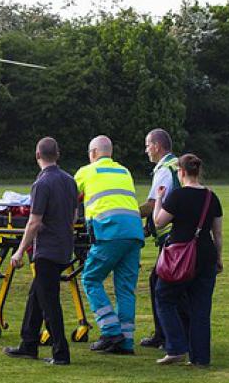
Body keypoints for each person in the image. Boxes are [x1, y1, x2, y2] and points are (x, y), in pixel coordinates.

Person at [3, 137, 78, 366]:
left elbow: (34, 222)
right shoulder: (69, 180)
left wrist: (19, 251)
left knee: (49, 302)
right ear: (58, 154)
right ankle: (28, 344)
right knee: (37, 295)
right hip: (64, 247)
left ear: (37, 155)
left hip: (47, 250)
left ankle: (60, 353)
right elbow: (73, 216)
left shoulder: (42, 183)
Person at [74, 135, 144, 354]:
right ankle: (126, 342)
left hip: (109, 232)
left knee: (91, 278)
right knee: (125, 288)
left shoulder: (87, 171)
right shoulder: (124, 171)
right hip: (133, 233)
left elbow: (68, 197)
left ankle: (110, 330)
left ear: (93, 153)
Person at [152, 154, 223, 366]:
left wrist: (159, 199)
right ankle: (200, 359)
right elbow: (218, 234)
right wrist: (218, 259)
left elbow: (158, 222)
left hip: (181, 258)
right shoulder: (212, 197)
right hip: (206, 256)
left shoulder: (177, 196)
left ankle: (176, 347)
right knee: (201, 309)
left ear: (181, 172)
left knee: (164, 297)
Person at [138, 128, 184, 348]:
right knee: (167, 283)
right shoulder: (176, 165)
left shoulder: (164, 170)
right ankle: (168, 333)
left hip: (170, 236)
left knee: (159, 283)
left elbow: (153, 205)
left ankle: (164, 335)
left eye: (148, 145)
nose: (146, 150)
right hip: (180, 233)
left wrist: (125, 212)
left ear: (156, 146)